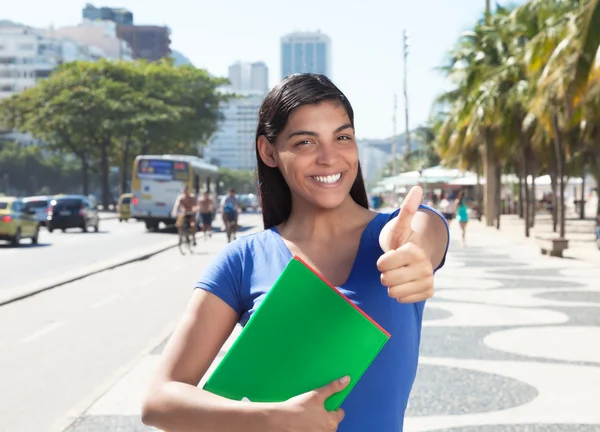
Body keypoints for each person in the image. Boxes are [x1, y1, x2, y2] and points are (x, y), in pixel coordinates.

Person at [141, 73, 450, 432]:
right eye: (305, 142)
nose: (329, 157)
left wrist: (415, 255)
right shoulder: (243, 260)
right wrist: (271, 417)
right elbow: (159, 400)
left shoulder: (405, 232)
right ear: (268, 151)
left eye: (343, 137)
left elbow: (425, 238)